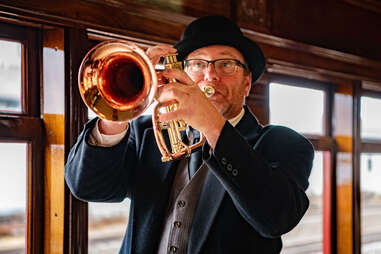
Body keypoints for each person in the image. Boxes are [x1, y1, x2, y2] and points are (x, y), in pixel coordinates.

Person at [65, 15, 314, 254]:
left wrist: (213, 126)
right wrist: (118, 108)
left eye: (226, 64)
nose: (210, 75)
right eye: (197, 64)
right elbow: (87, 187)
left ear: (247, 83)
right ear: (182, 75)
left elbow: (276, 219)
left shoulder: (285, 143)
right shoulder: (147, 133)